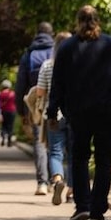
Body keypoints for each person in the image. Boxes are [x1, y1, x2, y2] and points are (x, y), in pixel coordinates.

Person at [47, 6, 111, 220]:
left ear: (77, 21)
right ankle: (98, 212)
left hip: (78, 112)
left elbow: (57, 83)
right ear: (98, 21)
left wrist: (52, 112)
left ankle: (82, 207)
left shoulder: (68, 47)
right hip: (107, 110)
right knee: (103, 160)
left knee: (78, 157)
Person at [15, 22, 55, 196]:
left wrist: (21, 110)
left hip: (37, 104)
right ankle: (57, 178)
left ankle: (42, 183)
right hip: (58, 102)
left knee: (39, 143)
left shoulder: (29, 54)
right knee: (56, 144)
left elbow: (21, 84)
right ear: (51, 34)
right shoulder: (58, 51)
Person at [35, 31, 72, 204]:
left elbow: (41, 91)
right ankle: (72, 189)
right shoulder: (78, 65)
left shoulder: (48, 65)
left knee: (55, 152)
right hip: (74, 114)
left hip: (53, 113)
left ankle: (57, 179)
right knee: (74, 153)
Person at [0, 79, 17, 147]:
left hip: (3, 112)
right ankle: (9, 141)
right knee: (10, 126)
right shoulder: (13, 94)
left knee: (3, 126)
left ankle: (3, 139)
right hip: (12, 111)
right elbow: (16, 102)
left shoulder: (1, 94)